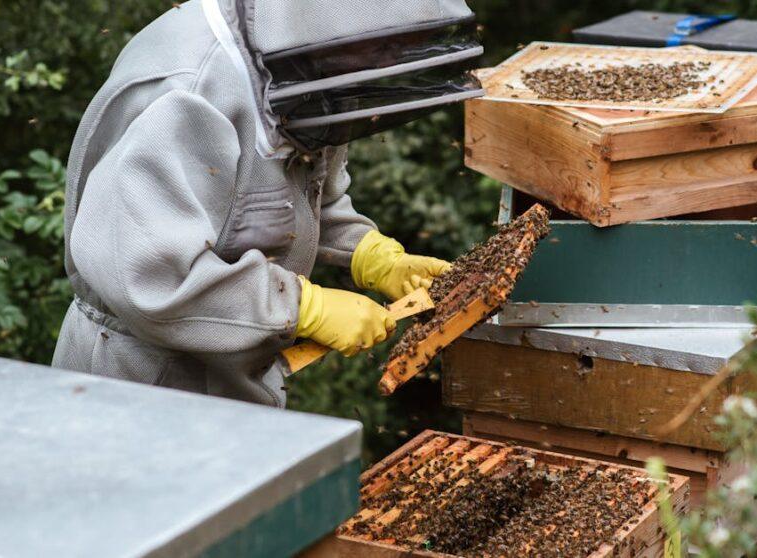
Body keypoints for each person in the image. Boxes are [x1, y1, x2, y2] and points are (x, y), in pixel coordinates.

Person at [52, 0, 484, 406]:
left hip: (227, 384)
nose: (388, 62)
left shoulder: (304, 65)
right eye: (386, 44)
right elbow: (151, 275)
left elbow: (292, 197)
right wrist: (301, 308)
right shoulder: (188, 92)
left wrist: (370, 254)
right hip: (136, 388)